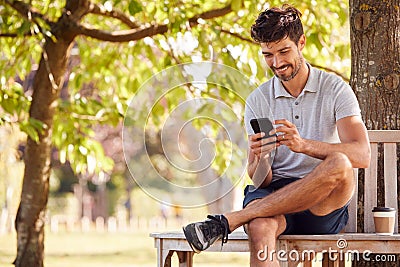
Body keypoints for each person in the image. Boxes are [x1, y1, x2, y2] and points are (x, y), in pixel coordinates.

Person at [182, 4, 371, 266]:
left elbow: (362, 154)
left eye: (284, 51)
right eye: (268, 55)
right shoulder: (259, 100)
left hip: (321, 201)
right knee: (260, 227)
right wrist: (259, 159)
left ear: (301, 42)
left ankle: (231, 220)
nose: (277, 63)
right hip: (274, 192)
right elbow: (262, 179)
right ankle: (238, 219)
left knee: (340, 163)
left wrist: (303, 145)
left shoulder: (334, 89)